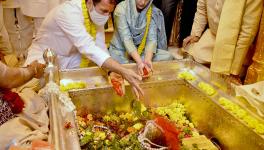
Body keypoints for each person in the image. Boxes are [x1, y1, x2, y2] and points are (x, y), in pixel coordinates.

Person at [24, 0, 144, 97]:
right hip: (44, 57)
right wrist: (122, 70)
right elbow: (88, 47)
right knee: (36, 94)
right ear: (90, 3)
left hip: (71, 57)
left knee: (90, 83)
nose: (106, 16)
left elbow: (100, 46)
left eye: (109, 12)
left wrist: (112, 71)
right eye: (104, 11)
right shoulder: (69, 12)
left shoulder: (96, 14)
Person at [183, 0, 263, 77]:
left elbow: (247, 33)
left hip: (234, 51)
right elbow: (202, 9)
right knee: (191, 70)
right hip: (210, 39)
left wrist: (234, 70)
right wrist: (195, 35)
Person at [109, 0, 173, 76]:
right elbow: (126, 39)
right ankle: (131, 66)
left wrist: (147, 60)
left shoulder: (152, 11)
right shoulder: (121, 9)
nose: (142, 2)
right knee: (111, 60)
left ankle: (131, 67)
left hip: (141, 51)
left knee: (168, 56)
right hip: (121, 52)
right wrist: (139, 62)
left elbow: (151, 39)